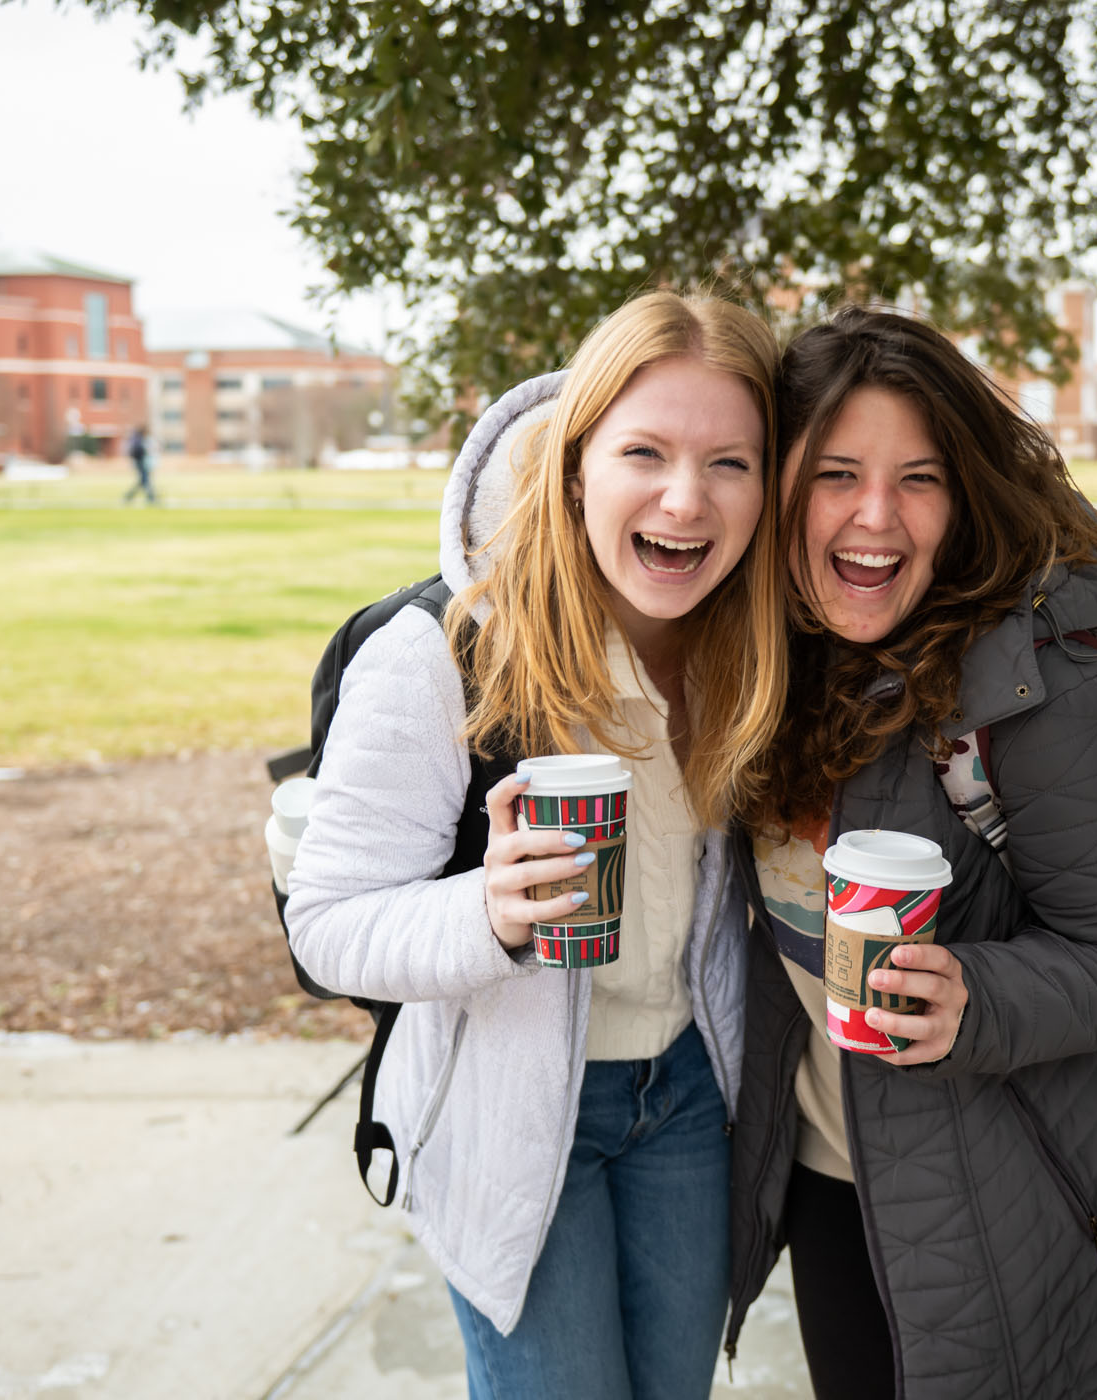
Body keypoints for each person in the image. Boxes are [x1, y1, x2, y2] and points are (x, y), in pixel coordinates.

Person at [286, 290, 788, 1400]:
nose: (684, 497)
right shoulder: (441, 651)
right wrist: (489, 910)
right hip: (514, 1119)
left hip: (691, 1095)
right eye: (643, 451)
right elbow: (326, 923)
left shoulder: (748, 650)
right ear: (574, 467)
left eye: (730, 463)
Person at [725, 307, 1097, 1399]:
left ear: (967, 496)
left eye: (920, 477)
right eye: (836, 473)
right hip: (834, 1168)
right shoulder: (769, 664)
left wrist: (978, 997)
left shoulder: (1042, 688)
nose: (876, 516)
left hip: (1022, 1191)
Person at [123, 425, 158, 505]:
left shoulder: (138, 439)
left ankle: (129, 496)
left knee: (142, 481)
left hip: (140, 463)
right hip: (141, 463)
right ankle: (151, 498)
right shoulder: (140, 440)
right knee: (145, 481)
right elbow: (144, 452)